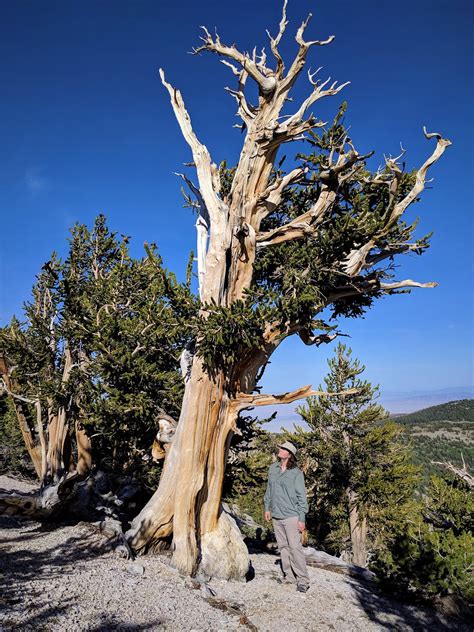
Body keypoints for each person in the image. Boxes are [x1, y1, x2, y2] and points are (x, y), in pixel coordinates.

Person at [264, 441, 310, 593]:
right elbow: (269, 490)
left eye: (283, 449)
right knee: (283, 547)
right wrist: (267, 508)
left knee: (295, 548)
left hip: (292, 516)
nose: (280, 450)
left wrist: (301, 518)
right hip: (276, 514)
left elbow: (302, 497)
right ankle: (289, 576)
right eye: (281, 447)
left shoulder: (296, 473)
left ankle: (303, 580)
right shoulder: (273, 468)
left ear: (289, 455)